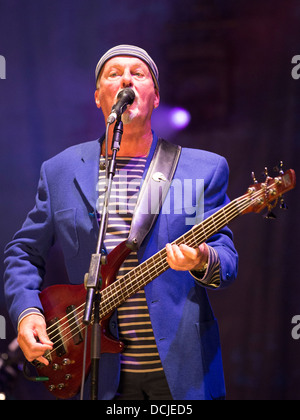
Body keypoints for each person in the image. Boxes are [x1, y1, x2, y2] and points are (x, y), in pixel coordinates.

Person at [3, 45, 238, 400]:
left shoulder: (200, 171)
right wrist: (26, 313)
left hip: (180, 371)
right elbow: (23, 251)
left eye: (138, 73)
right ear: (99, 97)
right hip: (97, 371)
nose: (126, 78)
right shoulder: (61, 171)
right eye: (113, 74)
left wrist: (203, 259)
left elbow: (227, 258)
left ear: (156, 97)